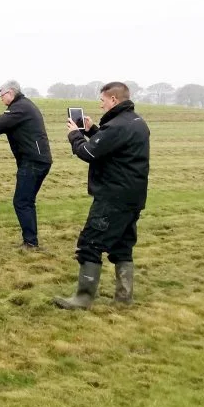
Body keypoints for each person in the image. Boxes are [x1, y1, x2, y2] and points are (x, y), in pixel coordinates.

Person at [54, 81, 151, 310]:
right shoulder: (137, 122)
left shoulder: (117, 126)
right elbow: (113, 147)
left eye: (102, 101)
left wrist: (75, 135)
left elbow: (88, 153)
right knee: (122, 246)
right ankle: (124, 297)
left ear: (114, 100)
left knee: (90, 244)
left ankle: (83, 298)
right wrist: (93, 131)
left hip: (112, 197)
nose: (100, 105)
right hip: (133, 197)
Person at [0, 80, 52, 250]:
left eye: (1, 95)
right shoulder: (23, 106)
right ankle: (31, 240)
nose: (1, 98)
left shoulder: (19, 107)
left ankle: (30, 242)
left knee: (22, 202)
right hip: (36, 159)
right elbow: (3, 123)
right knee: (26, 201)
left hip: (32, 161)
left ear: (10, 93)